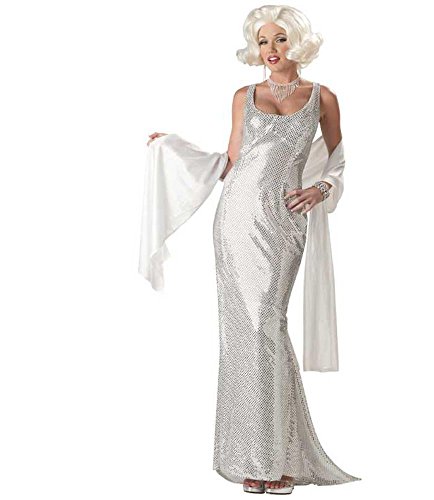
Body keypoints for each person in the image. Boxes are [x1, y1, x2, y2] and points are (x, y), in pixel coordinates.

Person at [140, 5, 361, 495]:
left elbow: (338, 159)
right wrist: (174, 148)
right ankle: (257, 460)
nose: (271, 50)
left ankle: (277, 455)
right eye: (263, 41)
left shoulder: (322, 98)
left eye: (280, 39)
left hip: (284, 221)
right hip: (236, 219)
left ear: (297, 42)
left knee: (268, 327)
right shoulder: (244, 96)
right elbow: (232, 162)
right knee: (245, 333)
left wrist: (321, 188)